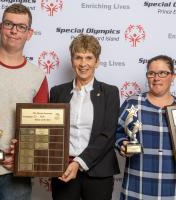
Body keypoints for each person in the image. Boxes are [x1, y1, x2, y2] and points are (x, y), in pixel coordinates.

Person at [0, 3, 48, 200]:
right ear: (0, 27)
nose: (14, 31)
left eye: (21, 27)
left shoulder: (38, 76)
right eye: (9, 24)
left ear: (29, 33)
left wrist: (26, 153)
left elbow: (42, 129)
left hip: (17, 176)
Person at [50, 34, 120, 200]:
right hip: (63, 170)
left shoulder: (110, 92)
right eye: (78, 57)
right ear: (72, 60)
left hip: (99, 172)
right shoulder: (57, 92)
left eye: (89, 58)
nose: (83, 64)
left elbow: (108, 135)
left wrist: (78, 162)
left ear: (97, 61)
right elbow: (51, 132)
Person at [115, 55, 176, 199]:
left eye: (162, 73)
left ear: (172, 76)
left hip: (171, 189)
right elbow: (116, 132)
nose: (156, 78)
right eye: (151, 73)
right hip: (137, 186)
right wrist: (122, 144)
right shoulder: (132, 103)